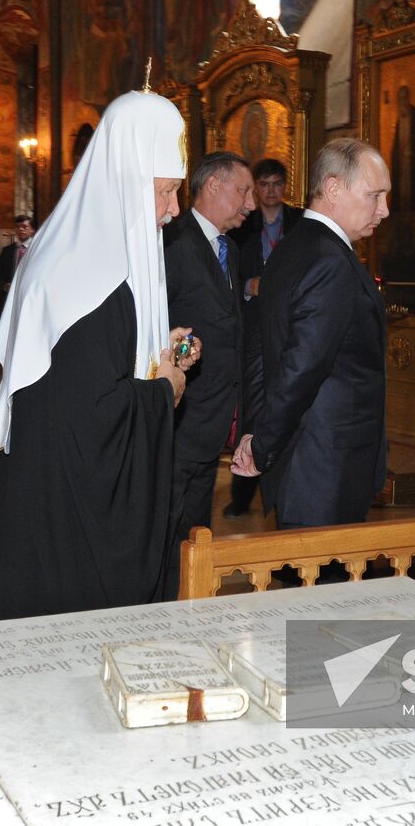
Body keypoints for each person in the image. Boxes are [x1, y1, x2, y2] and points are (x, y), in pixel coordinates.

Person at [0, 88, 198, 621]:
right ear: (126, 178)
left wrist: (157, 351)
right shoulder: (90, 278)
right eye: (165, 192)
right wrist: (163, 388)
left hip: (50, 492)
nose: (172, 211)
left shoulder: (77, 253)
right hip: (68, 516)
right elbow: (92, 416)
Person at [232, 139, 391, 528]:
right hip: (325, 466)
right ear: (334, 188)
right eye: (375, 196)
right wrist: (263, 443)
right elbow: (301, 367)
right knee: (323, 583)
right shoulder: (330, 261)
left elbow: (261, 350)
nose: (384, 210)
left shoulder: (292, 246)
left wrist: (257, 433)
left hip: (303, 460)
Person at [161, 151, 254, 595]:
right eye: (243, 191)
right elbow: (158, 324)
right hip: (179, 413)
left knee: (195, 528)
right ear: (213, 186)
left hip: (213, 417)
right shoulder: (172, 242)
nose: (250, 203)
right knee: (168, 524)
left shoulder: (229, 249)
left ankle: (188, 605)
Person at [224, 158, 303, 518]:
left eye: (277, 184)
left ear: (285, 186)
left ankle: (286, 484)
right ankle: (242, 493)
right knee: (254, 407)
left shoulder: (300, 223)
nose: (270, 191)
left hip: (292, 327)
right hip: (254, 327)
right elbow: (228, 273)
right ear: (256, 187)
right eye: (264, 184)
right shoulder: (243, 226)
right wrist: (246, 286)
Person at [0, 213, 34, 287]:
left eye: (24, 227)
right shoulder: (7, 250)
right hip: (10, 292)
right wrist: (4, 285)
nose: (20, 229)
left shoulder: (36, 248)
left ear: (32, 229)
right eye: (17, 227)